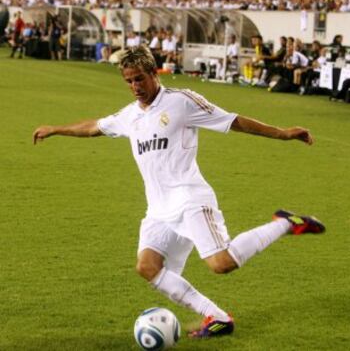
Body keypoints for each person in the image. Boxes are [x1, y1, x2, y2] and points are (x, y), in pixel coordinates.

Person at [33, 45, 325, 339]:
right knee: (147, 267)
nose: (135, 87)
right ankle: (218, 317)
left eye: (139, 79)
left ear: (153, 73)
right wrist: (56, 129)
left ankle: (286, 223)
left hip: (190, 199)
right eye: (129, 81)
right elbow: (94, 127)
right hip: (158, 209)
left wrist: (283, 133)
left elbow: (233, 120)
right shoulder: (129, 115)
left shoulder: (182, 102)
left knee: (222, 264)